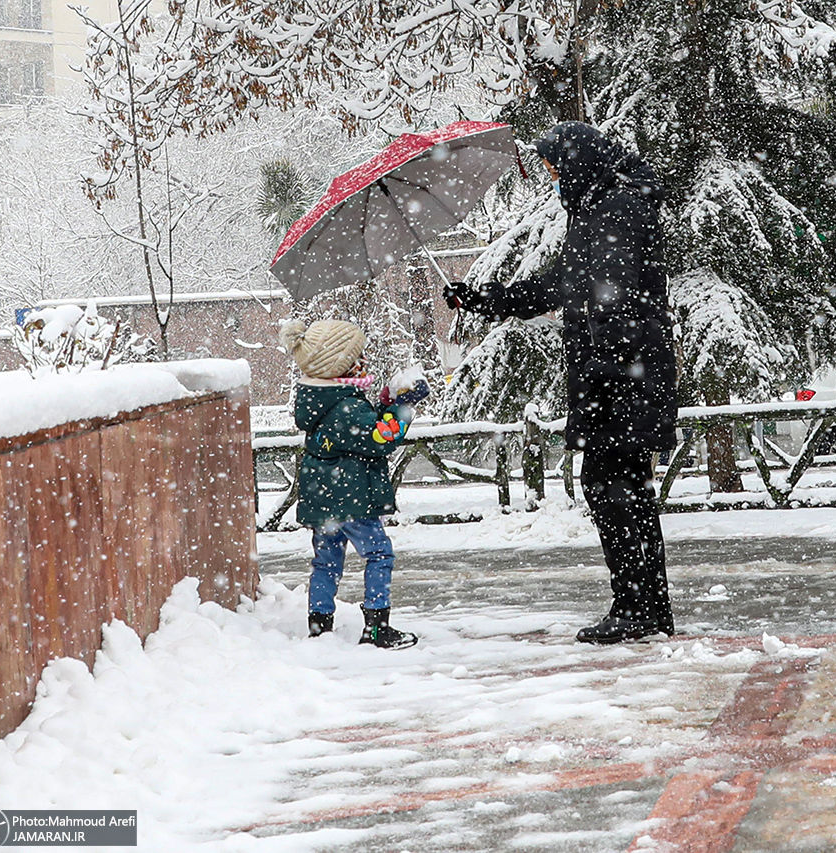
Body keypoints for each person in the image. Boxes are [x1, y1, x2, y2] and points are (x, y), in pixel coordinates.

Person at [444, 121, 678, 645]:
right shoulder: (593, 214)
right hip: (613, 376)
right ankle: (642, 607)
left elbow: (611, 297)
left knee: (615, 489)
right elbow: (556, 285)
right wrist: (486, 298)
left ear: (577, 164)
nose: (551, 177)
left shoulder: (619, 209)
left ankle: (639, 608)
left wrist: (605, 359)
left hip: (624, 377)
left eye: (554, 167)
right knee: (617, 490)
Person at [279, 318, 429, 648]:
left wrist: (386, 403)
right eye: (357, 357)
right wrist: (402, 409)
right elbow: (379, 438)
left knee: (326, 562)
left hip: (326, 501)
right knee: (379, 555)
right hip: (352, 499)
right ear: (340, 364)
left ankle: (319, 626)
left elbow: (358, 431)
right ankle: (376, 627)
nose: (363, 362)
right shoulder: (345, 406)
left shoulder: (325, 401)